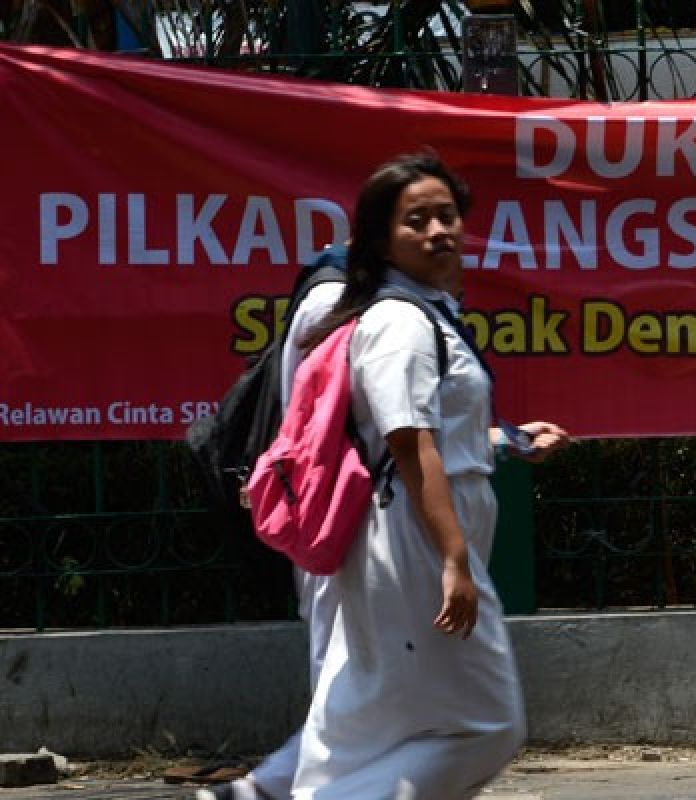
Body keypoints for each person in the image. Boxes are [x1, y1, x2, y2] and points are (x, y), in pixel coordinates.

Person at [199, 153, 569, 800]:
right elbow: (406, 439)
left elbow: (425, 430)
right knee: (487, 727)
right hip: (415, 534)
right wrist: (452, 556)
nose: (437, 232)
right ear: (379, 240)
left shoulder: (421, 312)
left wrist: (505, 441)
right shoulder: (399, 321)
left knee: (364, 718)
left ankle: (257, 795)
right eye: (416, 221)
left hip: (414, 526)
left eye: (447, 216)